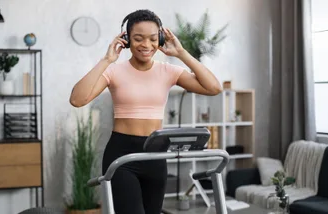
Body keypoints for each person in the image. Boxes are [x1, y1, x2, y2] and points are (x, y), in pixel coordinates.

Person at [69, 9, 222, 214]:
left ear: (159, 40)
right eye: (138, 38)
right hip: (122, 154)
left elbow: (214, 88)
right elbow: (77, 99)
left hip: (156, 155)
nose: (146, 45)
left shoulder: (168, 71)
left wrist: (181, 53)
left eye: (152, 39)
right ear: (126, 40)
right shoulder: (114, 71)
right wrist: (107, 59)